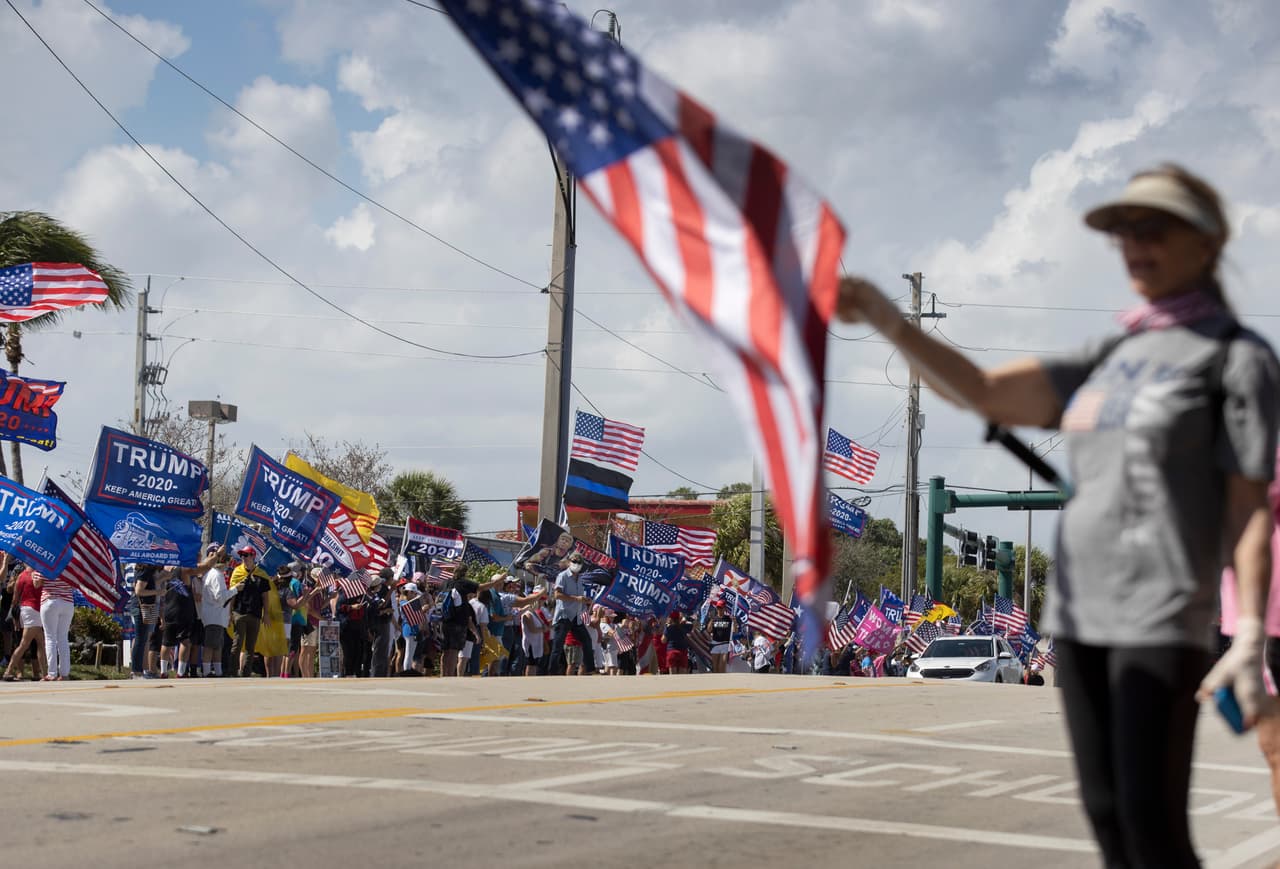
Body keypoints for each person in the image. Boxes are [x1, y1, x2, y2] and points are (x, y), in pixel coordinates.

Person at [835, 163, 1279, 867]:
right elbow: (984, 390)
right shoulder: (1112, 353)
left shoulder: (1237, 359)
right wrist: (890, 322)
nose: (1135, 243)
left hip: (1162, 615)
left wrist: (1250, 631)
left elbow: (1251, 510)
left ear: (1207, 242)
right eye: (1124, 230)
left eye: (1154, 228)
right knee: (1106, 817)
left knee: (1152, 828)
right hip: (1078, 616)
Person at [548, 552, 596, 675]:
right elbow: (557, 595)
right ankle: (552, 672)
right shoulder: (563, 576)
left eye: (579, 562)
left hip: (576, 617)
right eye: (574, 561)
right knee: (557, 646)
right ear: (569, 562)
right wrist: (576, 598)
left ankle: (590, 669)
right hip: (564, 616)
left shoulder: (580, 579)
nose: (576, 564)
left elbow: (579, 598)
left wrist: (585, 601)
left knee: (587, 640)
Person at [228, 547, 270, 678]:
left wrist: (266, 614)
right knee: (237, 643)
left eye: (246, 555)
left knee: (250, 647)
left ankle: (246, 673)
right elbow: (232, 593)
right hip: (239, 612)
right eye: (242, 555)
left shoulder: (261, 575)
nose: (243, 558)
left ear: (253, 556)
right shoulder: (237, 572)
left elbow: (265, 597)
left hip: (255, 614)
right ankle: (232, 672)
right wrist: (230, 612)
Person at [3, 562, 45, 682]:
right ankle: (8, 671)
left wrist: (15, 618)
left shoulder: (21, 575)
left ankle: (44, 674)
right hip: (34, 610)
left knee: (40, 643)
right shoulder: (38, 574)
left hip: (24, 610)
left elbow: (15, 599)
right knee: (25, 644)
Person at [199, 545, 234, 677]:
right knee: (210, 645)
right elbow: (219, 597)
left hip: (217, 616)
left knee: (217, 646)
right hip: (213, 615)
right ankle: (207, 671)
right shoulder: (216, 575)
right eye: (227, 562)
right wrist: (235, 590)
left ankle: (218, 671)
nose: (228, 565)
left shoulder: (214, 574)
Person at [36, 568, 75, 681]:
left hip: (50, 600)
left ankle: (52, 673)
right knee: (63, 638)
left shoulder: (44, 564)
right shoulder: (70, 565)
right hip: (67, 602)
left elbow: (37, 584)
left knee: (50, 638)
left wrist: (35, 575)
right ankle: (64, 673)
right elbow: (74, 586)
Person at [128, 564, 161, 679]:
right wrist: (157, 592)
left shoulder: (143, 570)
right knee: (140, 639)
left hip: (145, 606)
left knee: (143, 639)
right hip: (141, 607)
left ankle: (139, 670)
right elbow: (139, 590)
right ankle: (136, 671)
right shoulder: (146, 570)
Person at [706, 601, 734, 674]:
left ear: (724, 608)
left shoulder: (729, 619)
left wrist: (734, 621)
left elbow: (734, 630)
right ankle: (716, 680)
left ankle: (722, 679)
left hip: (725, 644)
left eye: (721, 608)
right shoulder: (714, 618)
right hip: (715, 643)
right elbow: (709, 630)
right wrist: (711, 620)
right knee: (715, 666)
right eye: (718, 608)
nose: (719, 609)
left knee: (722, 666)